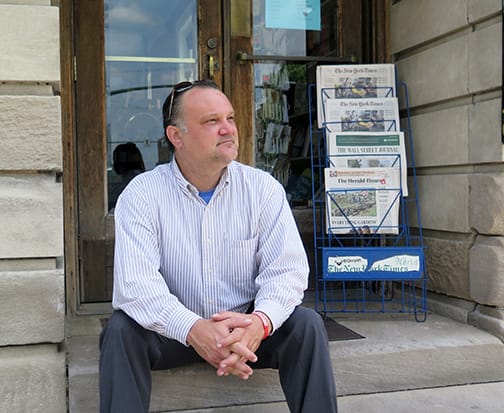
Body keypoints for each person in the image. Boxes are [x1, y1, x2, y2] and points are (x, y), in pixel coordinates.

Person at [98, 79, 338, 413]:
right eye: (212, 121)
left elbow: (287, 271)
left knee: (307, 326)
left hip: (246, 331)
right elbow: (136, 286)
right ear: (176, 137)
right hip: (174, 332)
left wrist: (260, 323)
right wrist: (194, 329)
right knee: (120, 332)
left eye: (230, 118)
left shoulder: (261, 189)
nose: (227, 129)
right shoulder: (142, 194)